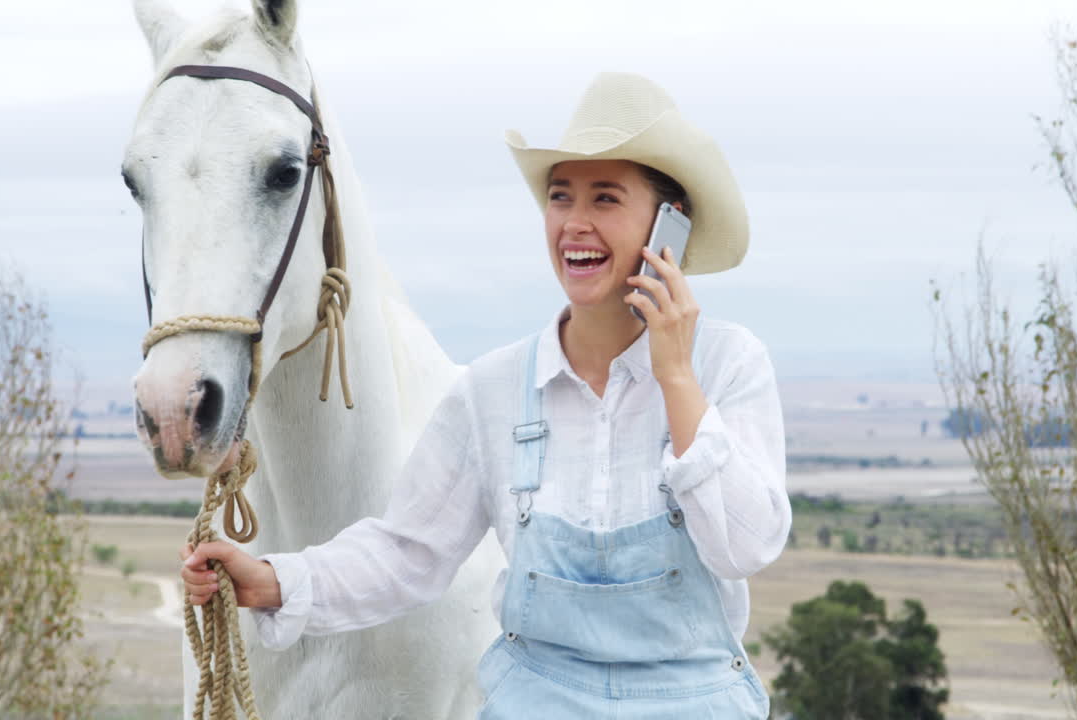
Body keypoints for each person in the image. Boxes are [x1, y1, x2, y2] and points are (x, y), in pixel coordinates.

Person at [180, 71, 791, 718]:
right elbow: (407, 552)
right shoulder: (496, 390)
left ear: (672, 225)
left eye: (606, 199)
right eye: (561, 198)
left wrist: (675, 377)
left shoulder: (729, 366)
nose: (574, 225)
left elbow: (746, 546)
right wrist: (275, 580)